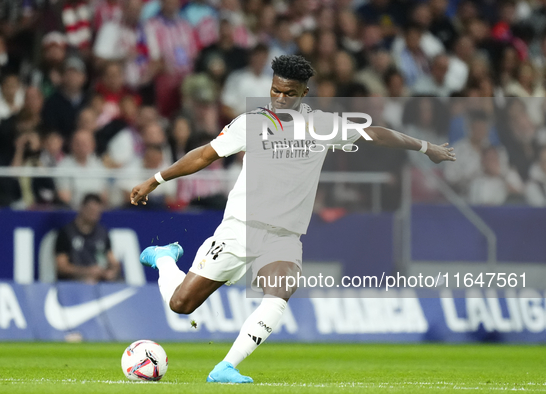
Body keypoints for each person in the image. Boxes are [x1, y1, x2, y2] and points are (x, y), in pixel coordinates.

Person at [129, 55, 456, 383]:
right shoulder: (251, 123)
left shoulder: (323, 126)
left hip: (284, 235)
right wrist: (156, 180)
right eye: (275, 91)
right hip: (240, 228)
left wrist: (425, 147)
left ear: (304, 93)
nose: (280, 99)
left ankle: (225, 367)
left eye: (289, 93)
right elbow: (203, 155)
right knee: (181, 305)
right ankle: (165, 260)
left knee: (280, 290)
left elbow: (376, 133)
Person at [55, 193, 121, 283]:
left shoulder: (102, 233)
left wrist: (112, 271)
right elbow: (61, 267)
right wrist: (87, 271)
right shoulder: (66, 233)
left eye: (97, 212)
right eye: (91, 210)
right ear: (82, 208)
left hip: (99, 282)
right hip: (74, 283)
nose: (94, 214)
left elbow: (113, 261)